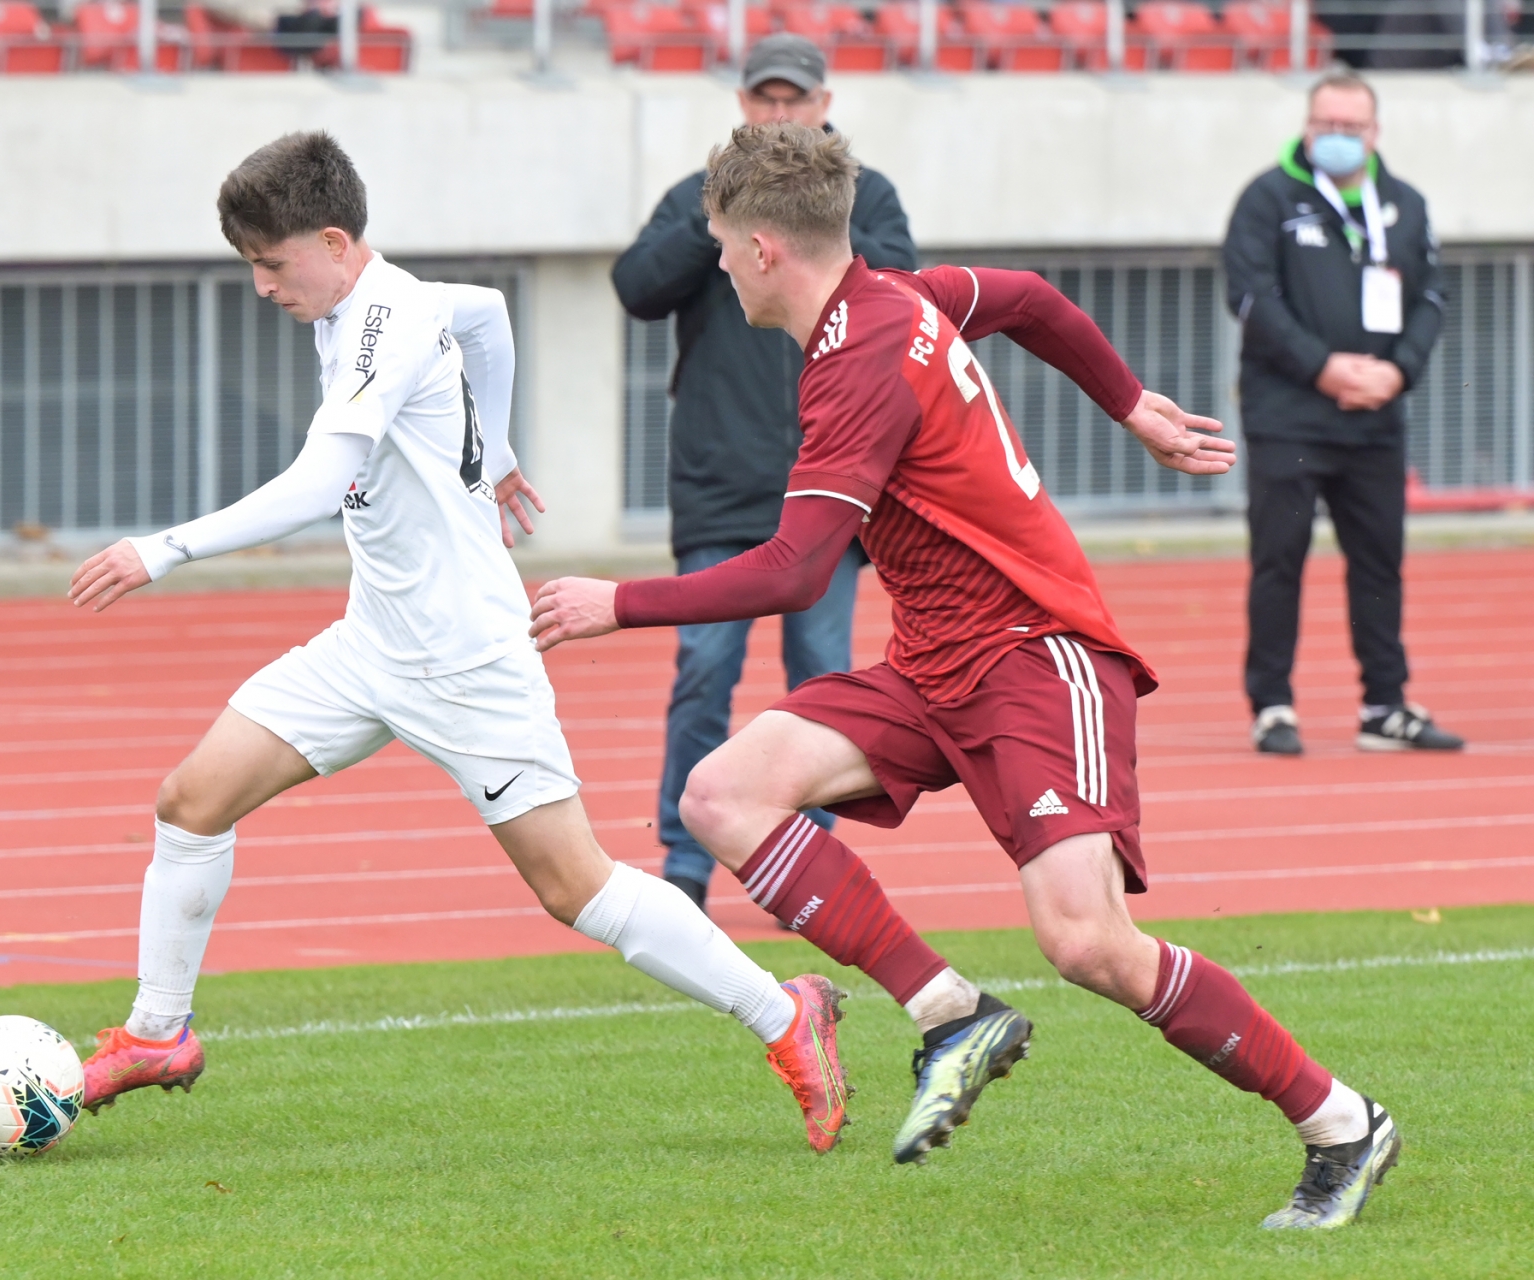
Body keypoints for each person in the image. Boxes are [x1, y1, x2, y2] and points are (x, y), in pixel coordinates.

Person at [533, 123, 1400, 1230]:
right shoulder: (896, 294)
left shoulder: (858, 359)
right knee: (722, 794)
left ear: (760, 249)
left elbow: (796, 570)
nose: (714, 261)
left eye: (717, 241)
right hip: (934, 662)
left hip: (1035, 656)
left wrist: (617, 602)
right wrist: (1131, 404)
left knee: (1087, 944)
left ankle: (1340, 1121)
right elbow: (1030, 299)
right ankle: (951, 1011)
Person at [65, 131, 853, 1153]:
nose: (261, 287)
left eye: (270, 264)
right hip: (370, 644)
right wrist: (499, 447)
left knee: (574, 886)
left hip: (468, 660)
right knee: (191, 800)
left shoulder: (382, 326)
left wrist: (162, 548)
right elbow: (485, 312)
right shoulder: (377, 299)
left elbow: (317, 483)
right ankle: (158, 1033)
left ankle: (785, 1012)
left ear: (335, 242)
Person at [612, 32, 917, 913]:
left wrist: (808, 221)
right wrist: (721, 215)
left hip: (831, 485)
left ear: (824, 107)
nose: (781, 114)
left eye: (796, 100)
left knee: (822, 683)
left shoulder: (867, 196)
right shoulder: (696, 197)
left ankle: (807, 862)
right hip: (720, 485)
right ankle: (685, 859)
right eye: (766, 99)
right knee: (703, 673)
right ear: (744, 106)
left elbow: (903, 288)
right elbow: (636, 287)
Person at [1224, 70, 1462, 757]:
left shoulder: (1405, 204)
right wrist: (1322, 367)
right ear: (1306, 127)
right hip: (1289, 418)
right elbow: (1250, 297)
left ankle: (1385, 705)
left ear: (1374, 132)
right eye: (1325, 125)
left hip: (1374, 419)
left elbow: (1432, 298)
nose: (1337, 137)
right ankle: (1272, 705)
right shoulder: (1268, 199)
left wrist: (1397, 371)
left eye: (1350, 127)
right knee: (1279, 561)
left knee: (1380, 563)